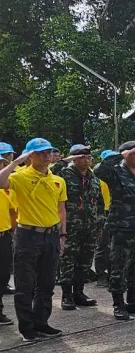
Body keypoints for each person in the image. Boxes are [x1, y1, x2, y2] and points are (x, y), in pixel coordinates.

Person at [0, 138, 67, 341]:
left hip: (51, 235)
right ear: (30, 156)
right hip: (28, 235)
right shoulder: (19, 176)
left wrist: (62, 235)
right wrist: (15, 161)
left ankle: (41, 322)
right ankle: (26, 327)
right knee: (25, 284)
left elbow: (61, 210)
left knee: (47, 283)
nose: (46, 155)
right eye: (40, 153)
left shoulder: (58, 180)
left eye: (48, 152)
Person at [94, 142, 135, 320]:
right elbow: (98, 170)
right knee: (119, 267)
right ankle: (118, 304)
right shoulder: (116, 172)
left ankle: (133, 301)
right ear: (126, 155)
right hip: (122, 229)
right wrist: (120, 155)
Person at [54, 144, 103, 311]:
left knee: (85, 261)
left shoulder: (93, 177)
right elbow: (51, 172)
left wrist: (100, 222)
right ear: (74, 159)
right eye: (82, 157)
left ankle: (79, 293)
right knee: (67, 261)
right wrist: (64, 160)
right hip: (70, 227)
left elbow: (99, 201)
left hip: (90, 227)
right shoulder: (64, 174)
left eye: (89, 157)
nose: (87, 161)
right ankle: (66, 295)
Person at [0, 147, 17, 326]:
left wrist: (11, 231)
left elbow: (13, 212)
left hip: (4, 235)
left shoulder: (7, 188)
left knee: (4, 274)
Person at [93, 150, 114, 287]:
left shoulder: (118, 175)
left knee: (115, 246)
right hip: (102, 213)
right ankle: (101, 274)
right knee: (103, 245)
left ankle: (113, 274)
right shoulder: (97, 176)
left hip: (115, 213)